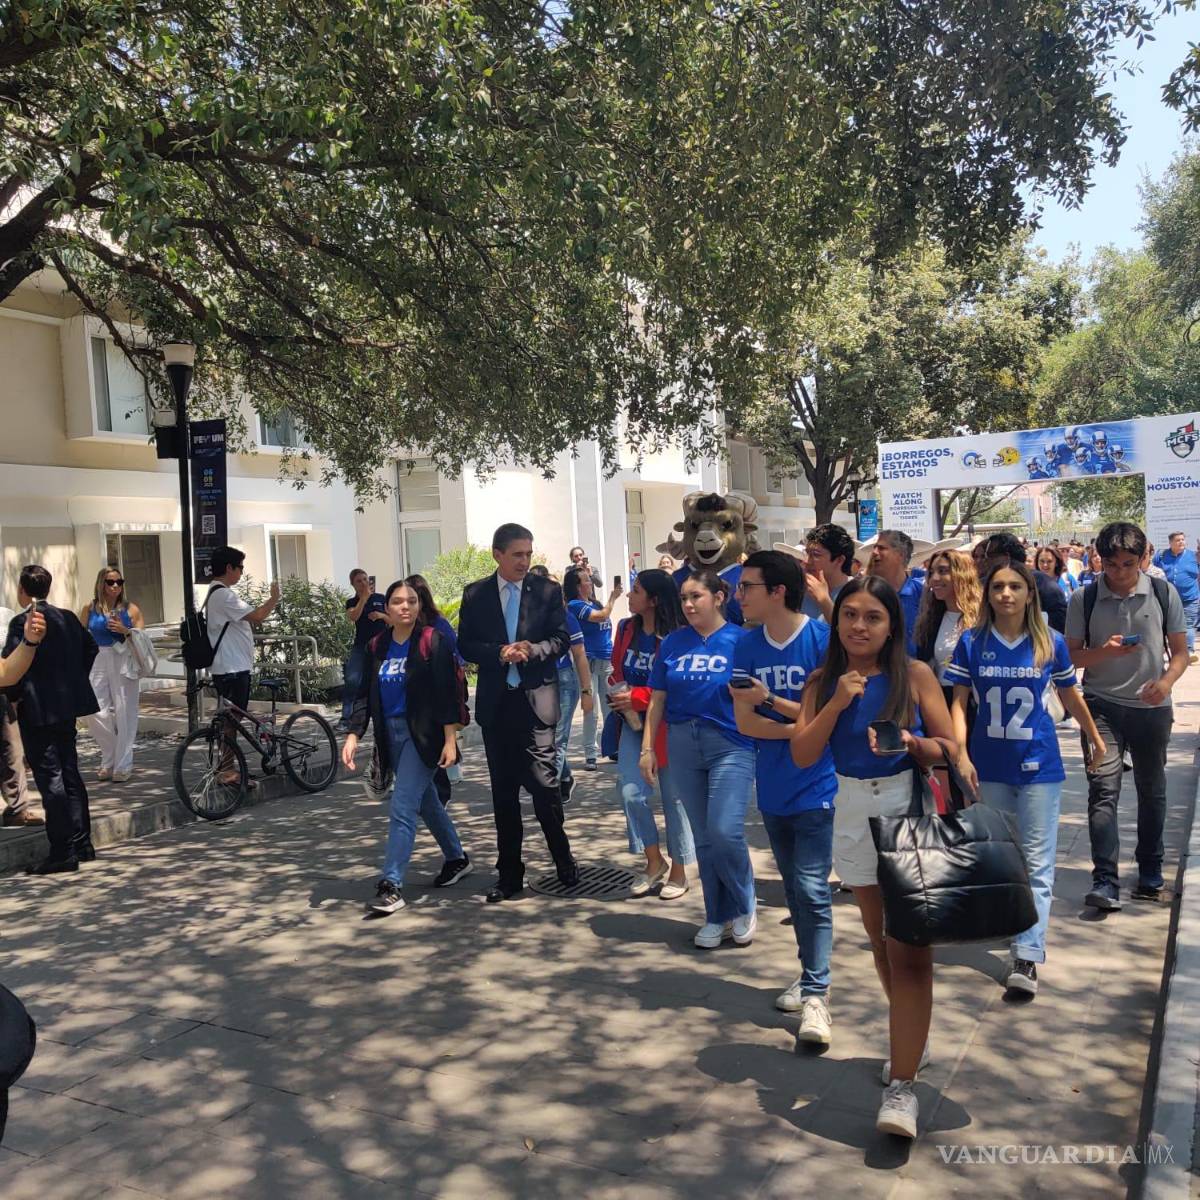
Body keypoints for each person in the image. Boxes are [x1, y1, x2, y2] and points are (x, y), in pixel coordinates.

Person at [790, 575, 956, 1140]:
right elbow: (803, 750)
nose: (860, 626)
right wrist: (836, 703)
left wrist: (913, 744)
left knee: (910, 954)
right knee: (881, 941)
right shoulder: (822, 682)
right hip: (850, 812)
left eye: (873, 617)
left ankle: (903, 1088)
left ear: (891, 626)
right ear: (837, 623)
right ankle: (914, 1039)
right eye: (850, 615)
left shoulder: (914, 676)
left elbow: (950, 748)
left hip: (907, 811)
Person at [947, 561, 1105, 997]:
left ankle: (1028, 954)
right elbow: (959, 704)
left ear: (1029, 593)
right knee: (1001, 857)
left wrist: (1093, 737)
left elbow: (1070, 692)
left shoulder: (1049, 642)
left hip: (1039, 765)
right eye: (997, 586)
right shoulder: (972, 642)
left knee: (1037, 860)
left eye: (1015, 586)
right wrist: (959, 752)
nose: (1006, 594)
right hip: (990, 764)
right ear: (988, 593)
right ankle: (1013, 924)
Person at [730, 552, 836, 1043]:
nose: (739, 595)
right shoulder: (747, 647)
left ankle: (817, 994)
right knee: (794, 888)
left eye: (747, 586)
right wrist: (803, 727)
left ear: (776, 591)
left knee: (813, 887)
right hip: (772, 787)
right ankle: (808, 974)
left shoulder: (819, 640)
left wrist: (774, 704)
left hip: (820, 785)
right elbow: (746, 723)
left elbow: (825, 723)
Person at [1065, 522, 1190, 909]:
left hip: (1151, 709)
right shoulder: (1083, 599)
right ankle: (1104, 880)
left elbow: (1182, 654)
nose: (1119, 573)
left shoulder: (1162, 592)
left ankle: (1150, 869)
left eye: (1128, 564)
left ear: (1143, 559)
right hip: (1100, 706)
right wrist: (1104, 652)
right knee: (1103, 790)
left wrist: (1166, 683)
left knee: (1152, 790)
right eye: (1112, 565)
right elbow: (1069, 657)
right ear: (1099, 559)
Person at [458, 523, 577, 902]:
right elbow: (466, 644)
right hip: (497, 704)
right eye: (517, 555)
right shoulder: (476, 594)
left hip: (537, 701)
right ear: (498, 555)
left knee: (544, 787)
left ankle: (564, 859)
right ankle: (509, 874)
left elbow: (560, 640)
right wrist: (498, 652)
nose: (525, 561)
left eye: (528, 553)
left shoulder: (547, 591)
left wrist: (533, 650)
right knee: (503, 796)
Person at [342, 579, 471, 914]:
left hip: (423, 736)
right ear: (387, 608)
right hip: (391, 734)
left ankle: (391, 884)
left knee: (402, 805)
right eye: (398, 601)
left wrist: (449, 740)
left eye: (411, 601)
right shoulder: (377, 647)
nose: (405, 607)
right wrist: (354, 734)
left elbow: (446, 694)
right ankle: (457, 858)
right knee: (426, 802)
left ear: (418, 605)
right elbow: (364, 695)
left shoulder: (432, 641)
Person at [641, 571, 754, 948]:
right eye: (684, 598)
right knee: (704, 837)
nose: (688, 604)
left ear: (719, 597)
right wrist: (646, 749)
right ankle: (716, 914)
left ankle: (743, 903)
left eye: (696, 596)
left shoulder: (742, 641)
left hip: (730, 743)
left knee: (725, 831)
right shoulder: (672, 644)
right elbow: (657, 698)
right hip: (681, 742)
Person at [2, 566, 97, 875]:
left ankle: (62, 850)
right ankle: (82, 842)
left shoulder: (24, 622)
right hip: (65, 704)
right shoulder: (66, 617)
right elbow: (90, 647)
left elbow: (11, 666)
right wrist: (75, 677)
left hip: (37, 707)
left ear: (22, 590)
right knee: (70, 771)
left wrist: (15, 696)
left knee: (50, 777)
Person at [609, 569, 694, 899]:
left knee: (675, 800)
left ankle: (680, 870)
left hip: (670, 726)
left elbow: (675, 686)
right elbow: (618, 667)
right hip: (632, 725)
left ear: (654, 600)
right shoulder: (625, 628)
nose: (630, 596)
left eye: (636, 590)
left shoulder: (677, 637)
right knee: (630, 791)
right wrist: (618, 691)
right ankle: (653, 860)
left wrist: (638, 696)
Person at [204, 547, 281, 783]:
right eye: (240, 568)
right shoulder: (224, 595)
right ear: (229, 568)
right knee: (231, 722)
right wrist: (274, 598)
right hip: (232, 668)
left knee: (230, 721)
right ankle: (226, 770)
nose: (241, 573)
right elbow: (257, 616)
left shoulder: (216, 593)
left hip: (229, 666)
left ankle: (226, 767)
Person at [529, 566, 593, 804]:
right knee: (542, 738)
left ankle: (549, 794)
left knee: (557, 739)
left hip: (565, 681)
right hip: (537, 682)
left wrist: (587, 691)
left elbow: (580, 654)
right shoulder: (528, 616)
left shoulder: (566, 617)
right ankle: (565, 777)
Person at [79, 567, 145, 782]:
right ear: (101, 584)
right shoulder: (89, 608)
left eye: (119, 581)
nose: (115, 586)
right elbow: (80, 637)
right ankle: (110, 756)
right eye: (110, 582)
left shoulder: (131, 609)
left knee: (126, 711)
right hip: (97, 657)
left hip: (123, 657)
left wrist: (125, 631)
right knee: (94, 710)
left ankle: (123, 764)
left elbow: (142, 639)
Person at [564, 566, 623, 770]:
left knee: (611, 707)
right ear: (577, 586)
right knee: (592, 709)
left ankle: (612, 747)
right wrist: (613, 597)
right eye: (586, 580)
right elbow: (599, 616)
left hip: (605, 660)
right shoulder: (575, 605)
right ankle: (590, 752)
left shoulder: (595, 603)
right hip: (587, 661)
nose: (590, 582)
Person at [913, 549, 981, 708]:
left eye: (943, 571)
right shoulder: (930, 620)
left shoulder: (983, 618)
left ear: (962, 574)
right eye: (931, 572)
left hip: (976, 703)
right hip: (941, 702)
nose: (935, 578)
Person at [978, 532, 1068, 634]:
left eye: (989, 555)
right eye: (998, 587)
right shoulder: (982, 585)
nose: (985, 560)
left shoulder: (1047, 587)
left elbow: (1059, 629)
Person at [342, 569, 387, 730]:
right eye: (359, 581)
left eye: (365, 579)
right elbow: (353, 616)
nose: (363, 583)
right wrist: (363, 599)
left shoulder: (381, 599)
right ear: (352, 584)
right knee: (352, 680)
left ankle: (382, 715)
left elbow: (393, 620)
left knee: (381, 680)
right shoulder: (351, 602)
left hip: (382, 645)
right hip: (361, 646)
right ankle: (346, 719)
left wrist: (381, 616)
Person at [867, 530, 924, 654]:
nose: (874, 552)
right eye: (874, 547)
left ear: (900, 555)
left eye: (881, 548)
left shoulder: (922, 594)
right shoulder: (864, 592)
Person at [1154, 532, 1198, 659]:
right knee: (1170, 625)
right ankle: (1171, 650)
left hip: (1190, 597)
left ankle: (1189, 652)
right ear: (1170, 543)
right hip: (1169, 599)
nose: (1181, 542)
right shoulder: (1161, 556)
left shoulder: (1193, 556)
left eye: (1183, 539)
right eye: (1178, 540)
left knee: (1188, 624)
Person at [801, 523, 856, 623]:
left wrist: (824, 601)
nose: (807, 561)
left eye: (816, 555)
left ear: (839, 560)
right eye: (807, 553)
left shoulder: (857, 592)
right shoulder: (800, 591)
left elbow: (848, 633)